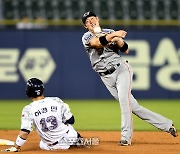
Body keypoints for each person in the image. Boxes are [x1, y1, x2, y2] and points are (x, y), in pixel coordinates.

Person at [81, 11, 178, 146]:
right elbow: (98, 43)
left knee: (124, 102)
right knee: (134, 106)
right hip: (105, 77)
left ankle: (126, 137)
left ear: (97, 19)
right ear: (86, 26)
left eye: (92, 18)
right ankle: (167, 125)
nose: (90, 22)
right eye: (87, 21)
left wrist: (119, 40)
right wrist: (114, 35)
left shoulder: (109, 31)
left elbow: (125, 50)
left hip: (121, 70)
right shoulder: (86, 37)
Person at [2, 78, 82, 152]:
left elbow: (24, 132)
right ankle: (79, 141)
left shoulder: (28, 109)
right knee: (69, 127)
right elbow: (71, 120)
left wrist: (16, 147)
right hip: (69, 138)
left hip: (51, 146)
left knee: (42, 144)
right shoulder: (56, 100)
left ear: (29, 91)